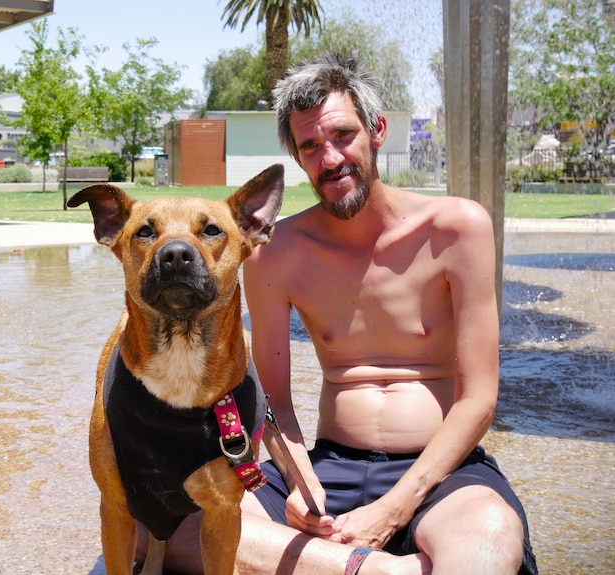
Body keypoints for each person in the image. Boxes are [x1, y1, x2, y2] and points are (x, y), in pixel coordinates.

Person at [138, 52, 538, 575]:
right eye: (310, 147)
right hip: (325, 465)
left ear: (377, 131)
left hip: (440, 473)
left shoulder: (457, 228)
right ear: (298, 159)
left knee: (490, 538)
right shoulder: (275, 253)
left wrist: (394, 508)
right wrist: (299, 477)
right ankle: (379, 571)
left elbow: (480, 399)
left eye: (343, 136)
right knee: (162, 531)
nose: (330, 159)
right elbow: (272, 398)